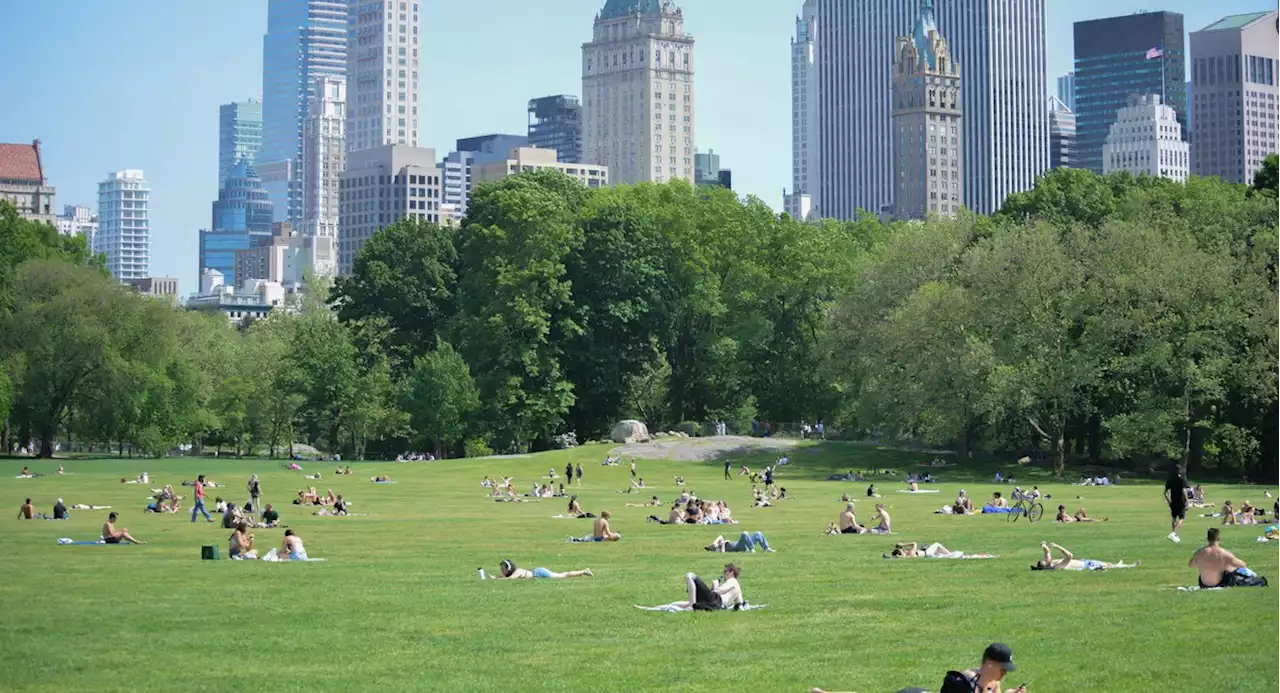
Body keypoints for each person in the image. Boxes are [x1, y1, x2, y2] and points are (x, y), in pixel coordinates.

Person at [1190, 527, 1267, 588]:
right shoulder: (1223, 553)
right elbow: (1242, 565)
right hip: (1219, 583)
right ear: (1218, 538)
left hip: (1203, 584)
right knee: (1230, 569)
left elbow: (1191, 565)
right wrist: (1228, 564)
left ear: (1207, 539)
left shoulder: (1199, 553)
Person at [671, 564, 744, 611]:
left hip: (715, 601)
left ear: (731, 573)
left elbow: (718, 591)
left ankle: (691, 604)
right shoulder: (737, 587)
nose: (723, 573)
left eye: (725, 571)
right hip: (715, 605)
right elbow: (740, 603)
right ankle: (670, 605)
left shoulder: (732, 581)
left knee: (690, 575)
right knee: (681, 603)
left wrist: (715, 584)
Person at [1031, 541, 1136, 571]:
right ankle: (1129, 566)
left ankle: (1124, 565)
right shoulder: (1057, 566)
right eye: (1047, 561)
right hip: (1087, 564)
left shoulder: (1050, 563)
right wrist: (1058, 546)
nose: (1048, 560)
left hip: (1085, 561)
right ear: (1047, 566)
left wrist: (1044, 545)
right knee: (1108, 565)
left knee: (1108, 564)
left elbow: (1047, 553)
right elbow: (1069, 556)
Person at [494, 559, 593, 580]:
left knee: (563, 575)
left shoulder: (517, 572)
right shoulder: (513, 573)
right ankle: (583, 571)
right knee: (563, 574)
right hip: (537, 571)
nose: (502, 571)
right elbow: (503, 577)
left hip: (540, 573)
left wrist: (495, 580)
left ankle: (584, 571)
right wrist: (493, 577)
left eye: (503, 569)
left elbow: (510, 579)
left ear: (509, 568)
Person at [1164, 467, 1189, 543]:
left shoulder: (1170, 480)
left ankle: (1174, 535)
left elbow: (1165, 492)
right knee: (1182, 518)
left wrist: (1169, 501)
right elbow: (1183, 491)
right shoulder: (1182, 480)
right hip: (1181, 502)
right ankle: (1173, 533)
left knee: (1174, 518)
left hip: (1173, 502)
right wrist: (1187, 501)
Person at [705, 531, 773, 553]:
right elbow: (723, 552)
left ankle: (766, 548)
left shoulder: (719, 543)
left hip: (743, 543)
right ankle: (751, 549)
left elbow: (720, 536)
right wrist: (722, 544)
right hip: (739, 547)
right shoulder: (718, 549)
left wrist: (716, 542)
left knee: (757, 533)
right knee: (744, 533)